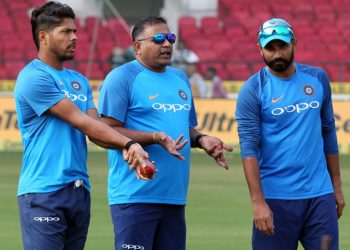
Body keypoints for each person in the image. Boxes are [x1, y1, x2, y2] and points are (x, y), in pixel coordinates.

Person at [14, 2, 149, 250]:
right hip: (44, 191)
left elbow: (96, 130)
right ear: (43, 37)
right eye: (65, 32)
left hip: (78, 191)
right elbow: (82, 122)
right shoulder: (33, 77)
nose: (75, 37)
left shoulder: (79, 81)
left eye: (74, 31)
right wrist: (130, 143)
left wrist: (131, 151)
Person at [98, 16, 233, 250]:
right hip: (135, 196)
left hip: (174, 198)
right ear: (137, 47)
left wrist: (202, 139)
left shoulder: (180, 78)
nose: (167, 44)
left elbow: (183, 130)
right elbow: (106, 130)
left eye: (170, 38)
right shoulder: (121, 78)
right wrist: (153, 137)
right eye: (158, 39)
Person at [235, 18, 345, 250]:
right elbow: (249, 148)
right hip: (275, 199)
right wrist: (258, 203)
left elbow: (328, 130)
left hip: (319, 196)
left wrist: (336, 186)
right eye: (270, 48)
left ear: (294, 43)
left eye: (282, 46)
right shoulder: (253, 90)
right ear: (260, 49)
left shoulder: (317, 79)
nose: (277, 54)